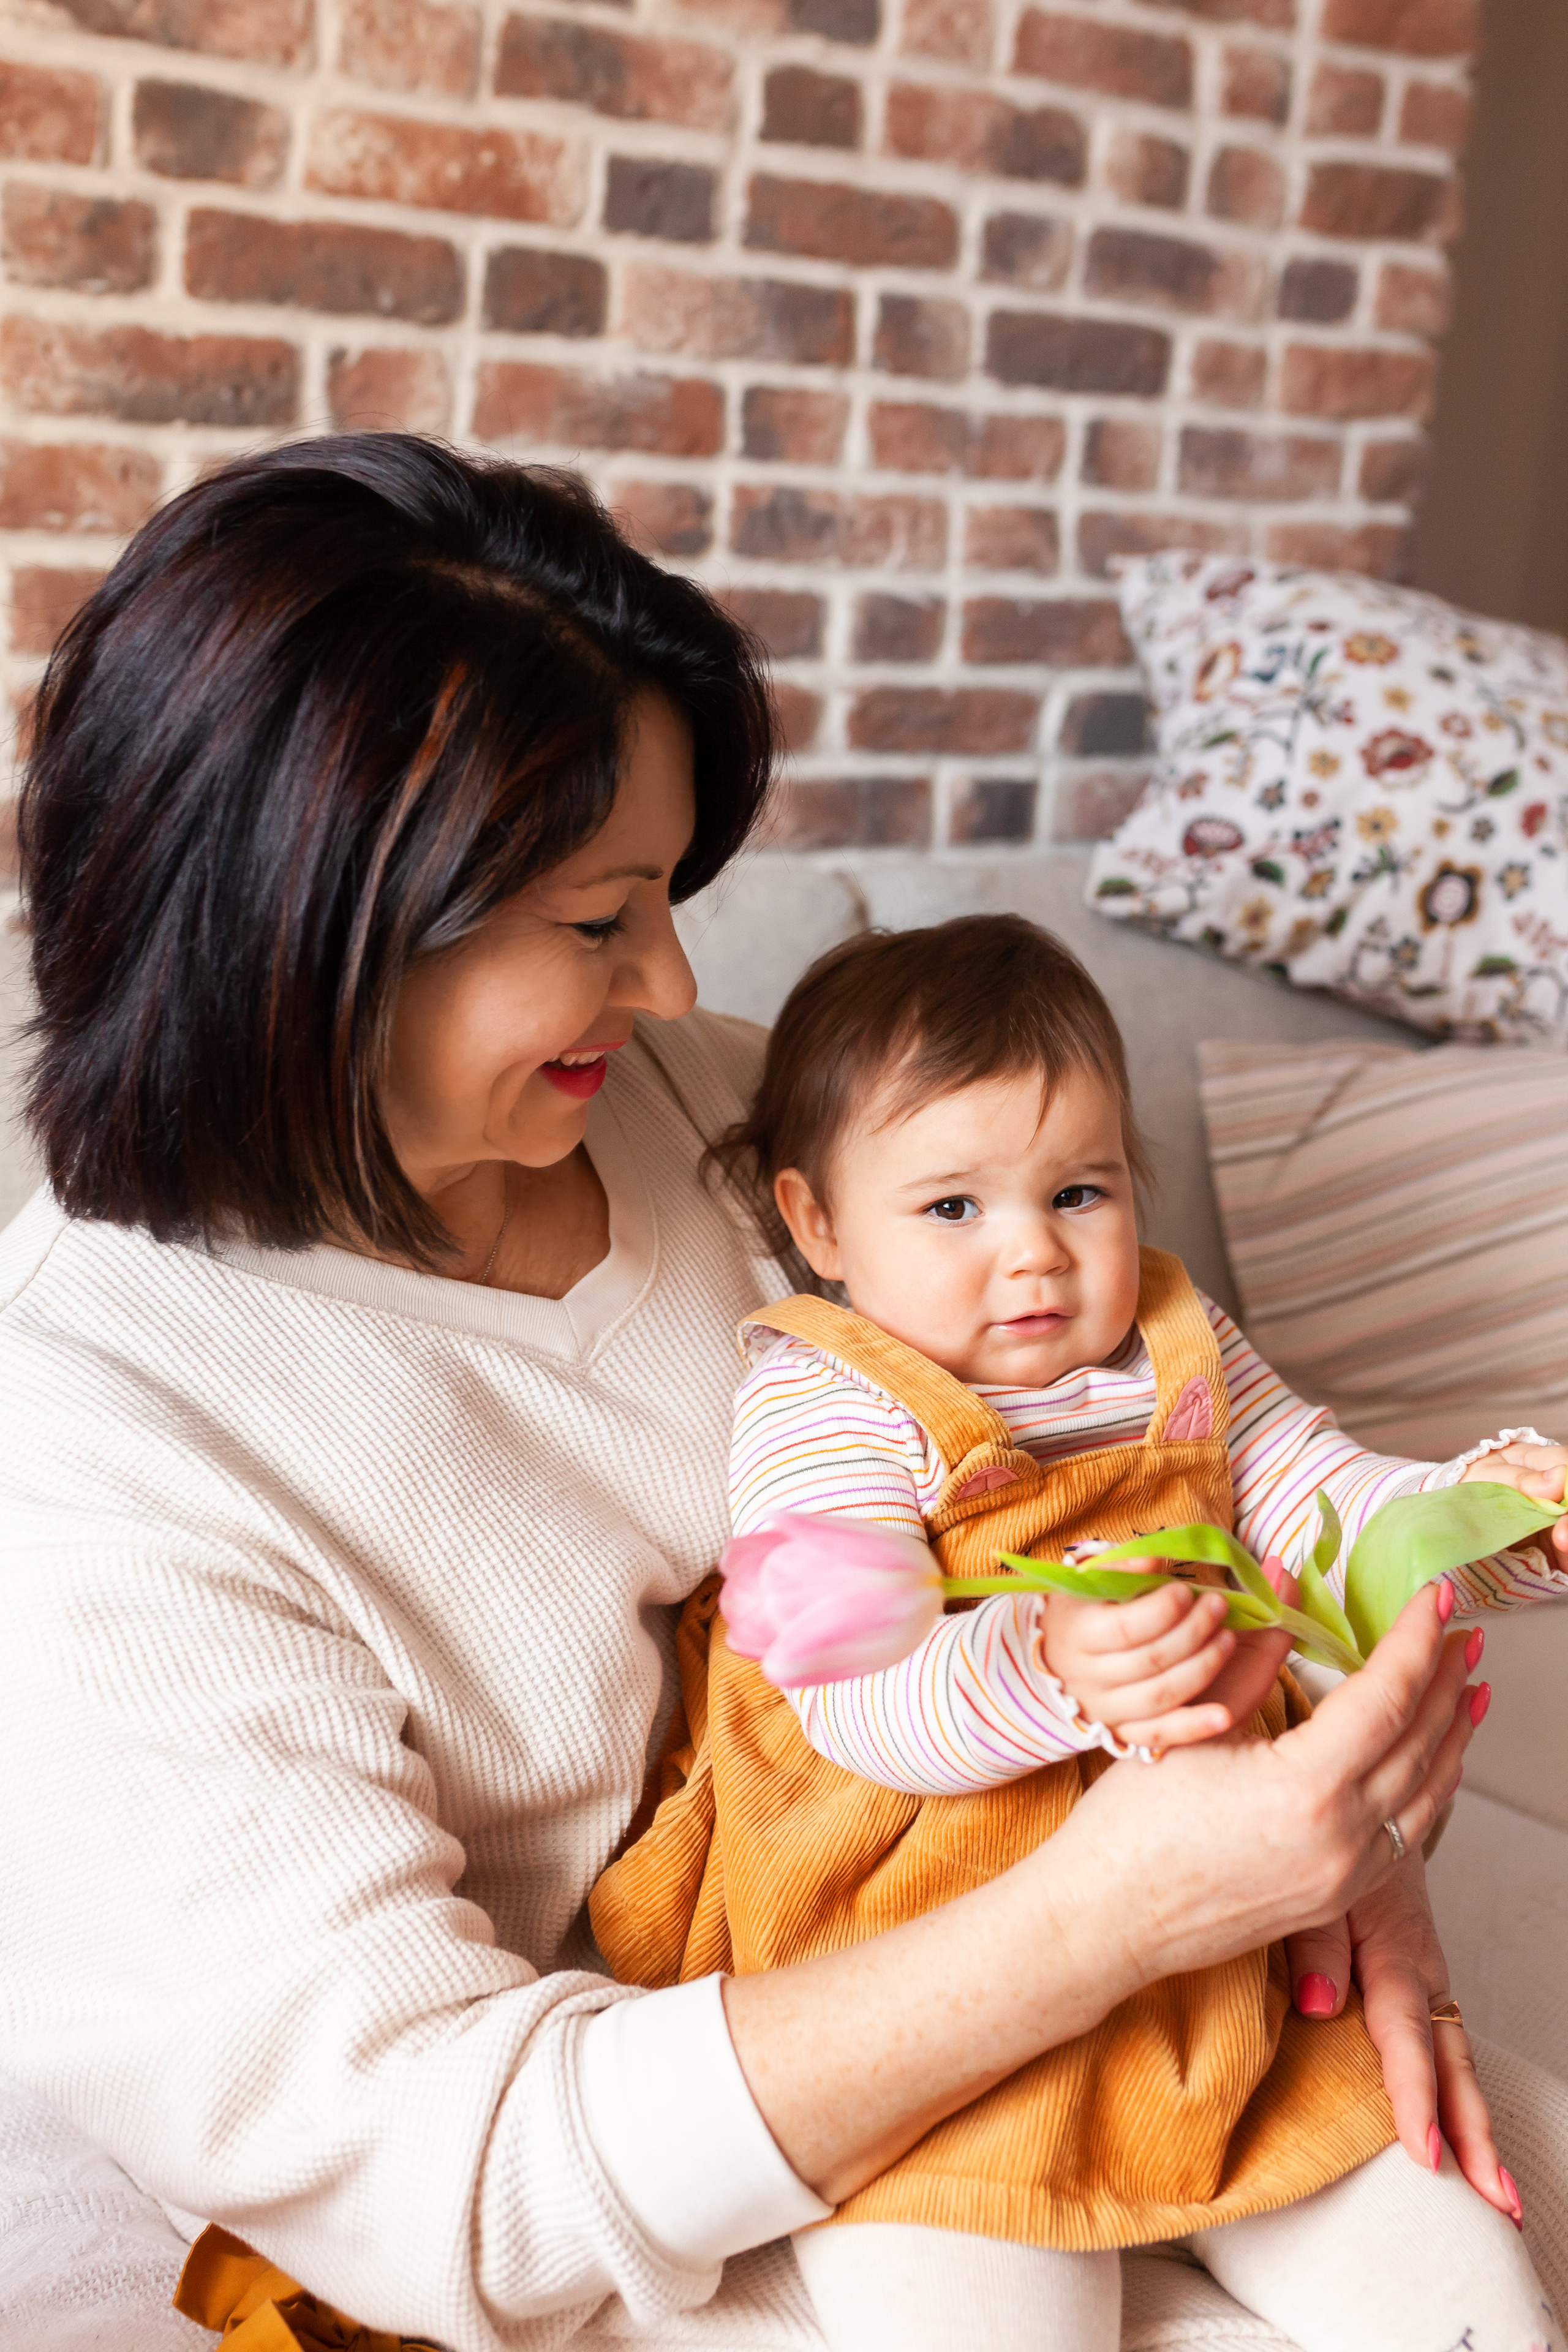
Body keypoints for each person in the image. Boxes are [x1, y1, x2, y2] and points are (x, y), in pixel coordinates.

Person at [0, 434, 1535, 2352]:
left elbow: (1158, 1452)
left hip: (1112, 1973)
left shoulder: (728, 1112)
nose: (668, 974)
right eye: (593, 917)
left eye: (666, 891)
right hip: (663, 2150)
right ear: (305, 936)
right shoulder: (97, 1448)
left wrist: (1341, 1814)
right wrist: (1112, 1917)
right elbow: (447, 2176)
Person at [593, 914, 1567, 2352]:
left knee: (1465, 2287)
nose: (1032, 1257)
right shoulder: (825, 1396)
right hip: (934, 1955)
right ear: (815, 1224)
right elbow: (843, 1694)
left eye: (1078, 1191)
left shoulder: (1177, 1344)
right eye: (951, 1211)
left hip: (1229, 1952)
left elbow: (1324, 1516)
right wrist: (1042, 1667)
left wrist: (1487, 1522)